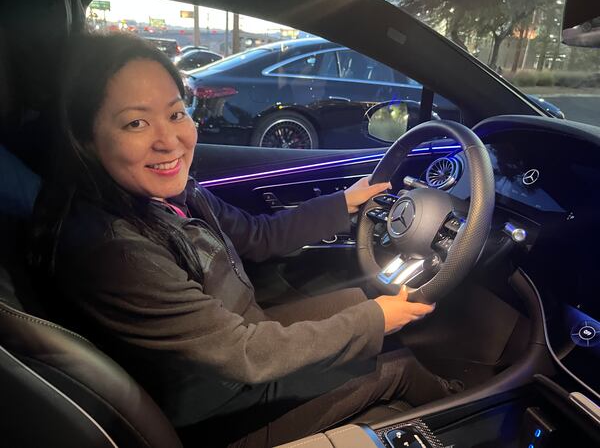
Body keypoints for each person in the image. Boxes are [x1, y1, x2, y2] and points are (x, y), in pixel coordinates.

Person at [31, 33, 459, 447]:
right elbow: (246, 355)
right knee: (395, 366)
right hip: (217, 413)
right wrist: (379, 320)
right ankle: (475, 414)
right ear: (86, 138)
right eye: (136, 122)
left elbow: (258, 235)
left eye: (177, 113)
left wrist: (343, 202)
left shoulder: (173, 197)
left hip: (227, 359)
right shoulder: (115, 253)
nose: (170, 140)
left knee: (358, 300)